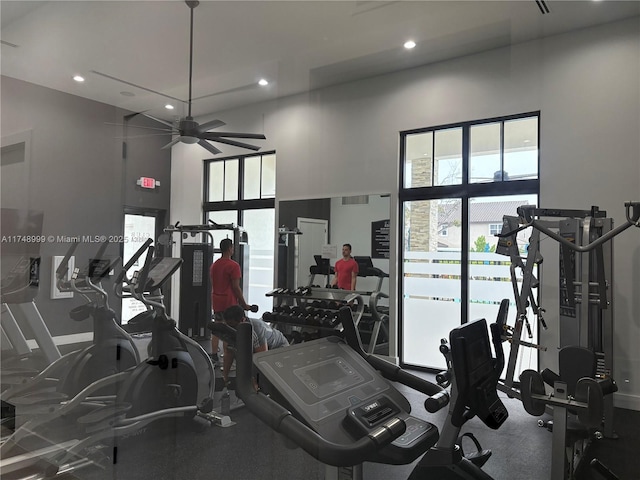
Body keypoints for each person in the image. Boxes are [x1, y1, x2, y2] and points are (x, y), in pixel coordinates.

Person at [209, 238, 257, 362]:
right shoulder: (233, 266)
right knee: (229, 331)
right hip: (229, 302)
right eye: (233, 247)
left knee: (217, 328)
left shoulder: (214, 265)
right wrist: (244, 304)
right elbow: (236, 287)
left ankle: (214, 355)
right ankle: (227, 357)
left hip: (217, 300)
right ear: (230, 249)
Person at [220, 304, 289, 387]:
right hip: (265, 347)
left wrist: (255, 383)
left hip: (279, 348)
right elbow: (229, 353)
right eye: (227, 325)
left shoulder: (256, 329)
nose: (230, 329)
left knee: (271, 383)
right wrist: (225, 378)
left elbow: (261, 359)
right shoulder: (233, 329)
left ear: (242, 320)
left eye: (232, 326)